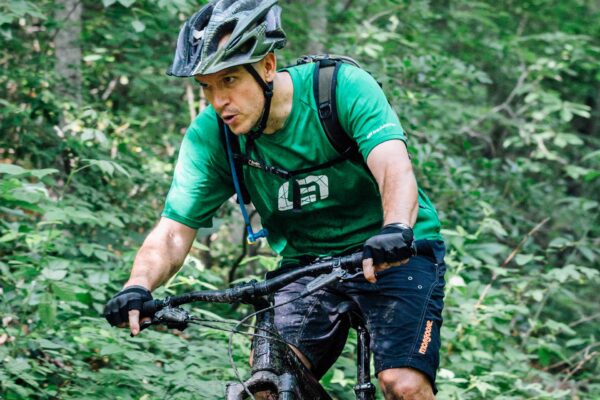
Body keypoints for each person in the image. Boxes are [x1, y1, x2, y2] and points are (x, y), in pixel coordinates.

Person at [104, 0, 446, 398]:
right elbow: (174, 230)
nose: (218, 101)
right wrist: (137, 286)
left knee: (402, 384)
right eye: (206, 86)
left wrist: (396, 229)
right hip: (306, 267)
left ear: (267, 66)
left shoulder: (339, 89)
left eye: (229, 80)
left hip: (396, 252)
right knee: (266, 388)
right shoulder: (213, 135)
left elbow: (393, 166)